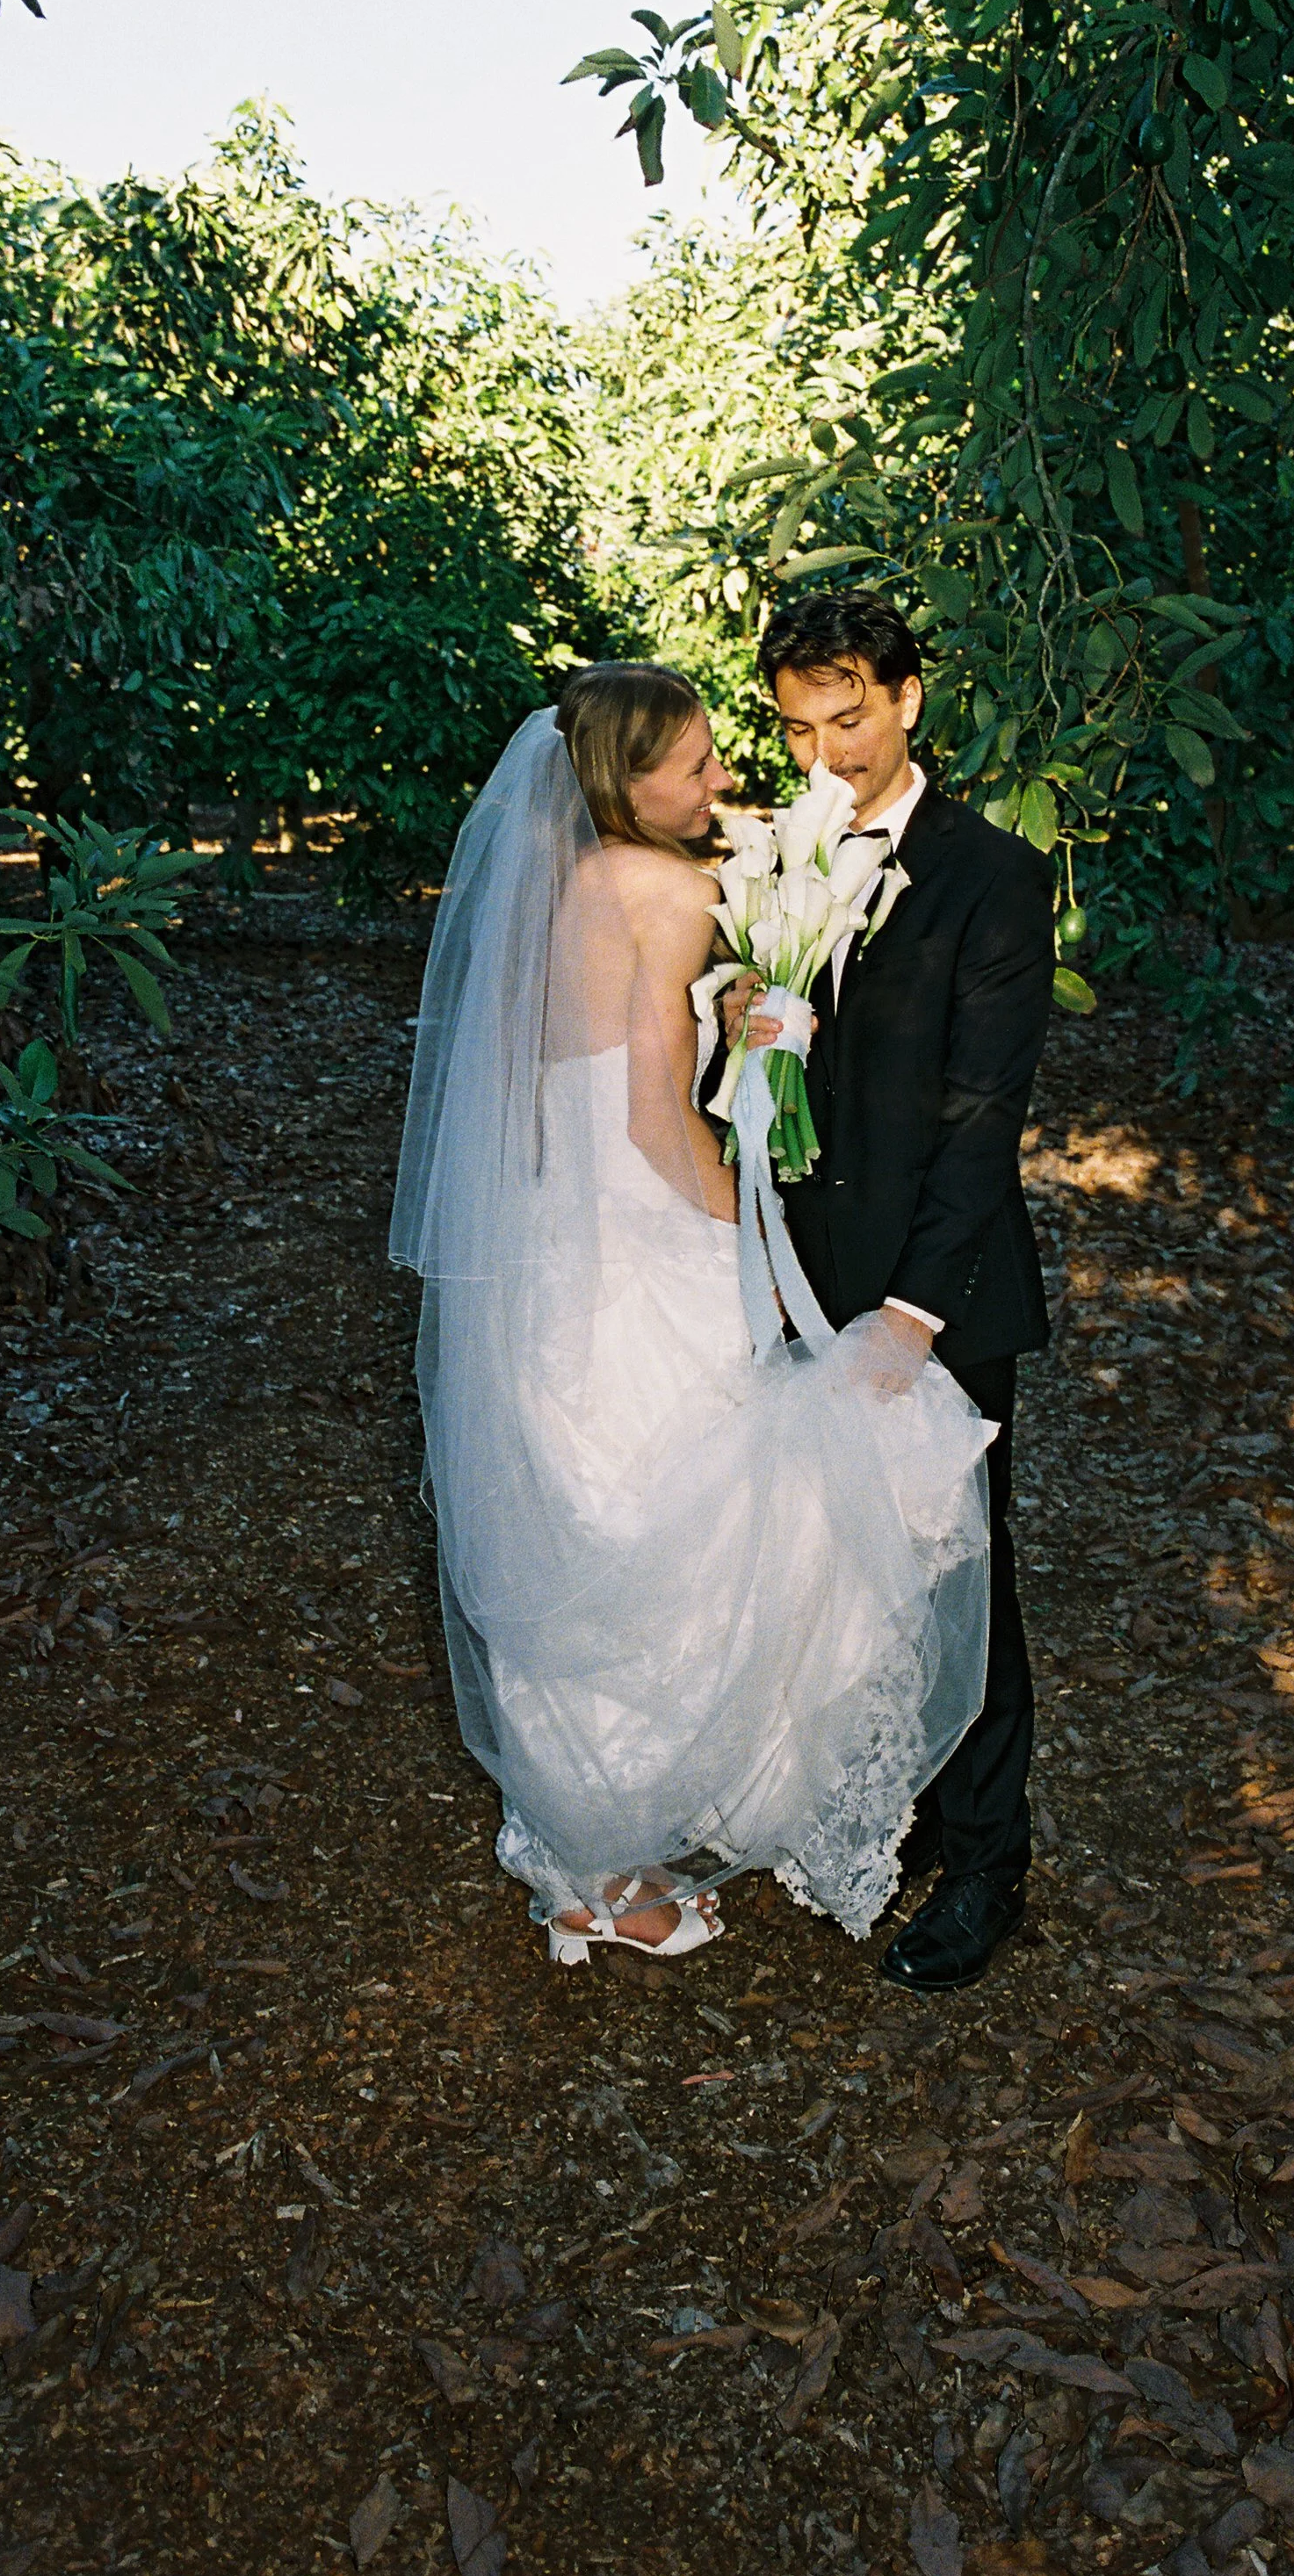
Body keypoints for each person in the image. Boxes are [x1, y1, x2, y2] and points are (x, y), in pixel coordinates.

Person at [389, 661, 996, 1967]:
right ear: (625, 778)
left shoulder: (554, 888)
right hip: (646, 1234)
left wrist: (729, 1006)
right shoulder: (667, 889)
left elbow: (588, 1054)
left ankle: (579, 1842)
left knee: (581, 1531)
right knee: (667, 1532)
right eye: (698, 763)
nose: (724, 780)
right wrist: (755, 1237)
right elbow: (656, 1117)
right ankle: (607, 1870)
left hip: (557, 1245)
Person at [727, 593, 1053, 1993]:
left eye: (848, 716)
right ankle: (884, 1808)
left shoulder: (992, 874)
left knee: (960, 1574)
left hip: (939, 1298)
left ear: (912, 698)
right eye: (799, 725)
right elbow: (761, 1061)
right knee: (825, 1564)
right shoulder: (773, 849)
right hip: (793, 1278)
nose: (825, 750)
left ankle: (988, 1860)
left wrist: (912, 1319)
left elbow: (986, 1118)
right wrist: (739, 1014)